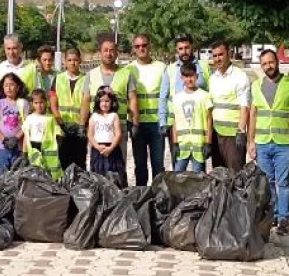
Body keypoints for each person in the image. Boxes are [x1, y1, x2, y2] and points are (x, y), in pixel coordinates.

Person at [248, 49, 289, 236]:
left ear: (277, 62)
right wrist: (251, 141)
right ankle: (273, 215)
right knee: (267, 182)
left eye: (271, 62)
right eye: (264, 64)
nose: (268, 66)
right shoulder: (256, 86)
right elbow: (252, 115)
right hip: (262, 143)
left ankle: (284, 218)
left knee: (283, 182)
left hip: (283, 143)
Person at [81, 37, 138, 177]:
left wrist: (135, 123)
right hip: (98, 132)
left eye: (112, 50)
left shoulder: (126, 74)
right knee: (97, 167)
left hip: (119, 129)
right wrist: (82, 125)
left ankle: (119, 194)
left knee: (118, 166)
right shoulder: (91, 75)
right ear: (100, 53)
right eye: (105, 50)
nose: (109, 53)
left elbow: (132, 99)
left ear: (117, 53)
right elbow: (86, 100)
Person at [159, 34, 212, 167]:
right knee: (178, 167)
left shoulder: (203, 67)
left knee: (199, 171)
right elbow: (163, 97)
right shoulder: (170, 70)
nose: (184, 52)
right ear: (177, 50)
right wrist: (163, 121)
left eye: (187, 48)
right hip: (177, 127)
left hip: (199, 128)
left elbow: (211, 94)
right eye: (181, 48)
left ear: (192, 47)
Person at [0, 34, 39, 166]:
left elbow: (37, 94)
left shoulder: (31, 68)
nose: (11, 52)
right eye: (8, 48)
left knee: (21, 163)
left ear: (21, 48)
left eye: (14, 48)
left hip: (23, 125)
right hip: (2, 126)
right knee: (2, 163)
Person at [127, 34, 167, 185]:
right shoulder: (129, 69)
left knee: (158, 165)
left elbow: (166, 96)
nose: (141, 48)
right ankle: (141, 195)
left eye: (144, 45)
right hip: (138, 124)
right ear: (134, 49)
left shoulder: (161, 68)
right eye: (137, 46)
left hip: (157, 124)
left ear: (149, 46)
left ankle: (159, 198)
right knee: (140, 165)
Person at [209, 40, 250, 171]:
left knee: (235, 175)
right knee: (219, 175)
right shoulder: (212, 78)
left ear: (229, 53)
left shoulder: (240, 77)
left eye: (220, 54)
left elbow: (245, 107)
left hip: (233, 137)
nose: (217, 59)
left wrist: (241, 132)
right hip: (217, 135)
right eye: (214, 56)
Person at [50, 48, 88, 170]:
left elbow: (87, 104)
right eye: (69, 60)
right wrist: (62, 125)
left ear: (80, 61)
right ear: (64, 62)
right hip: (62, 130)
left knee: (80, 164)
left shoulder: (86, 79)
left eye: (75, 60)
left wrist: (82, 126)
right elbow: (53, 105)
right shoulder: (58, 79)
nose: (73, 63)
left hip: (80, 129)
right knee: (63, 163)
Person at [172, 63, 213, 173]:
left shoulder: (204, 96)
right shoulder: (177, 98)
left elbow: (209, 119)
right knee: (178, 176)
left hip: (199, 145)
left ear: (196, 76)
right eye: (186, 76)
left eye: (191, 76)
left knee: (198, 178)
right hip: (182, 145)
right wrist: (175, 143)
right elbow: (175, 121)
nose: (189, 79)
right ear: (181, 78)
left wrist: (208, 142)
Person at [0, 73, 30, 174]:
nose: (9, 88)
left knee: (17, 173)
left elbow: (27, 124)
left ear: (18, 87)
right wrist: (4, 139)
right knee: (3, 173)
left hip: (18, 147)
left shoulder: (24, 103)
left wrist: (16, 138)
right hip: (3, 146)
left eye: (12, 85)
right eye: (6, 85)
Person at [88, 87, 126, 186]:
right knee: (98, 174)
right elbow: (90, 135)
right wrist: (97, 147)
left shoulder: (114, 116)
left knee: (114, 174)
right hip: (98, 150)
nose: (104, 104)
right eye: (102, 101)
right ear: (97, 102)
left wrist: (111, 148)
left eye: (107, 101)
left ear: (112, 102)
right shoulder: (94, 116)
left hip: (112, 150)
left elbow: (118, 134)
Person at [23, 89, 63, 180]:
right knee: (36, 174)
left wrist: (57, 147)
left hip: (48, 152)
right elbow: (26, 136)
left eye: (41, 102)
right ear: (32, 104)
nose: (39, 105)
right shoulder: (29, 118)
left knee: (50, 175)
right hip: (34, 149)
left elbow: (58, 134)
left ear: (46, 102)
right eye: (36, 103)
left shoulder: (50, 118)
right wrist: (24, 153)